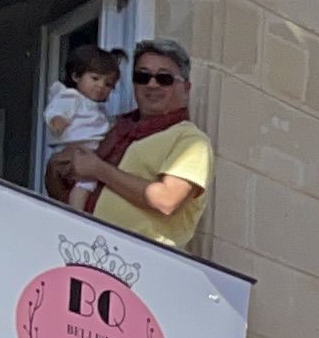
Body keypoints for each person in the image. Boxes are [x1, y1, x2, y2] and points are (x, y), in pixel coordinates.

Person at [63, 42, 212, 253]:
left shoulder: (190, 140)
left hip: (142, 262)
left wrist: (99, 169)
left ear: (185, 88)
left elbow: (166, 199)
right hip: (86, 249)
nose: (152, 85)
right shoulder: (114, 130)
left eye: (164, 78)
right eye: (142, 77)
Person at [41, 42, 120, 209]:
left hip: (88, 151)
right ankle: (77, 214)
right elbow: (55, 109)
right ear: (76, 76)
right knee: (86, 183)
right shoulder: (72, 96)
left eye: (108, 84)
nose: (101, 86)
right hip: (76, 151)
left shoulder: (96, 108)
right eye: (95, 78)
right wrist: (57, 120)